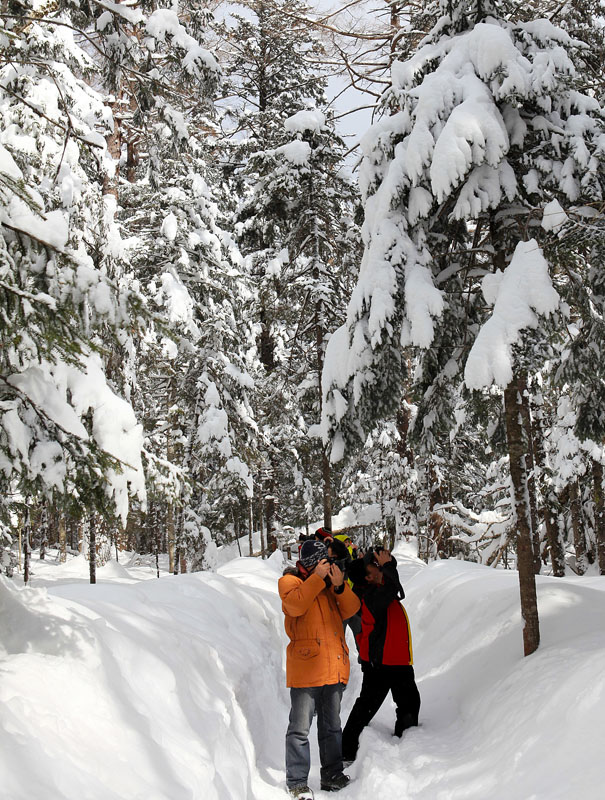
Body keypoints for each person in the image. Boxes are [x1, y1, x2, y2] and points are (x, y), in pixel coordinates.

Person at [279, 539, 361, 798]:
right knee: (300, 729)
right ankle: (297, 782)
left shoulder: (329, 588)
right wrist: (316, 579)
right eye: (322, 561)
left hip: (333, 666)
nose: (327, 565)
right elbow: (295, 606)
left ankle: (332, 774)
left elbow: (352, 609)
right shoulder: (291, 582)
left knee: (332, 727)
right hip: (306, 668)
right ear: (309, 563)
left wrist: (338, 586)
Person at [341, 547, 420, 762]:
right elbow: (392, 586)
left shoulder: (380, 588)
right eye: (374, 567)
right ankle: (345, 751)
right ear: (368, 577)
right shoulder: (371, 595)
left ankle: (406, 742)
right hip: (381, 664)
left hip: (394, 661)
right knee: (365, 708)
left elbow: (394, 585)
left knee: (409, 703)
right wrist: (387, 565)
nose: (379, 568)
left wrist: (387, 563)